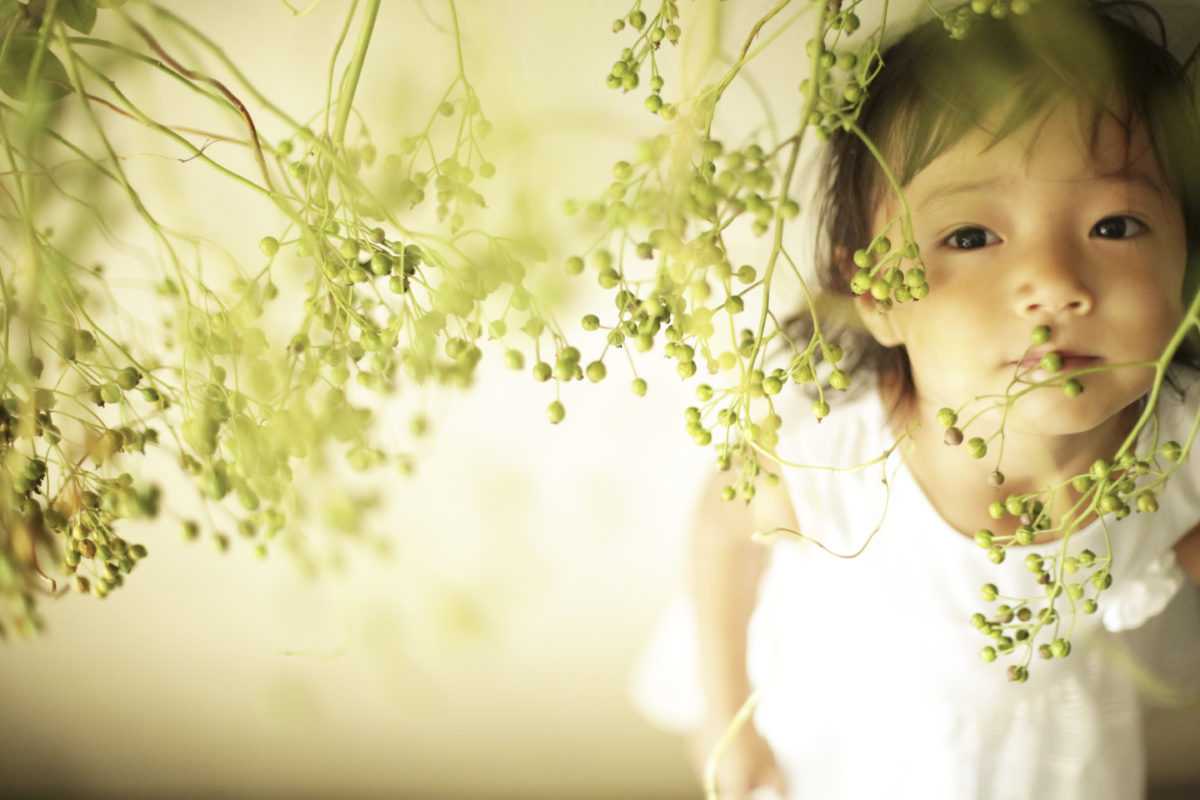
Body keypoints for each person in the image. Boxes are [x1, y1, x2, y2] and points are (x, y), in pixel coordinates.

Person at [631, 1, 1200, 798]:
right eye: (970, 237)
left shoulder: (1182, 446)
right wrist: (729, 716)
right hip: (857, 733)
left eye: (1115, 224)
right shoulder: (833, 451)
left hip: (1050, 756)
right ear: (877, 294)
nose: (1054, 285)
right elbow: (721, 536)